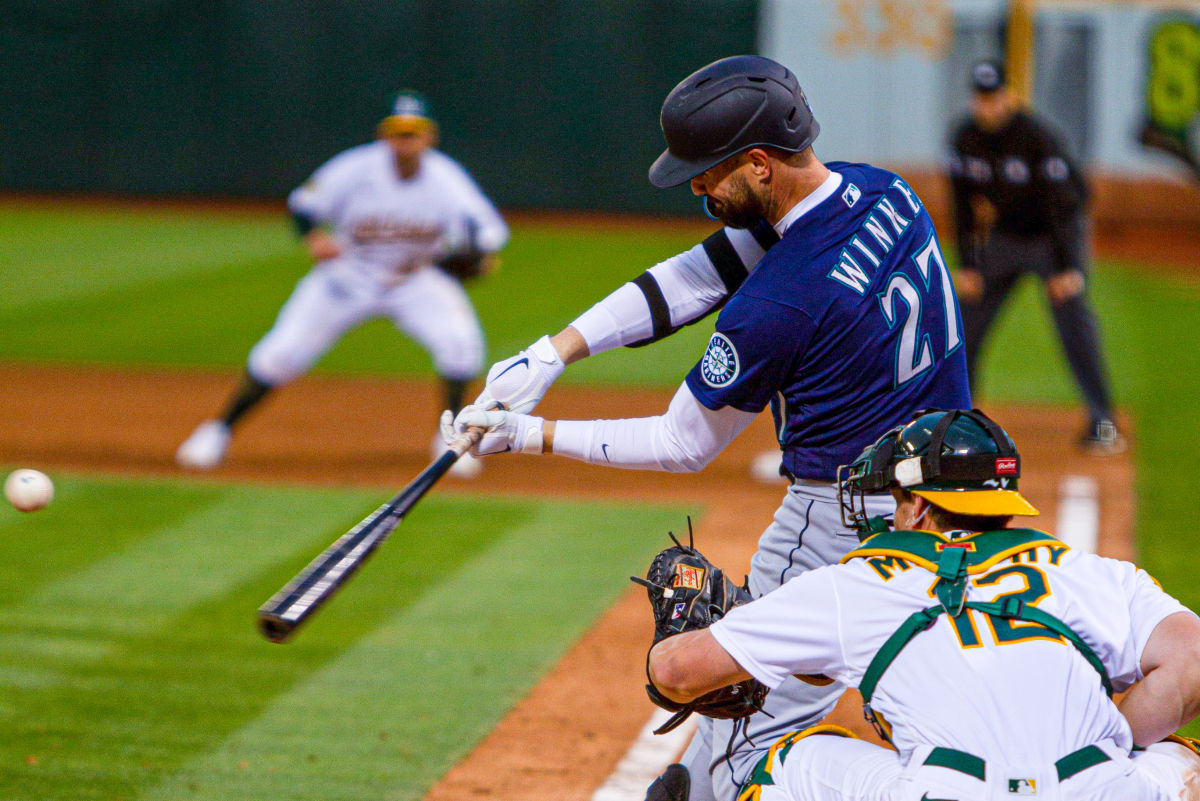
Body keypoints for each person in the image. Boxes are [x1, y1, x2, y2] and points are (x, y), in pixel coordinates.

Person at [444, 55, 971, 801]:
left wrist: (526, 435)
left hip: (841, 533)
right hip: (959, 511)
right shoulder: (882, 191)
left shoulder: (780, 304)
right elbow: (698, 274)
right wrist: (554, 351)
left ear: (758, 164)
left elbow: (682, 443)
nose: (694, 186)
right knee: (966, 723)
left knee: (734, 750)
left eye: (707, 171)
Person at [647, 409, 1200, 801]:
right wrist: (1115, 742)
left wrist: (671, 639)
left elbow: (676, 673)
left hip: (947, 792)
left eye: (893, 497)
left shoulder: (858, 584)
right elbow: (1192, 658)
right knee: (1180, 761)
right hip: (1100, 791)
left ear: (916, 507)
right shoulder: (1091, 573)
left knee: (777, 765)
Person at [176, 91, 507, 476]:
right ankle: (217, 431)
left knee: (462, 346)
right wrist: (313, 238)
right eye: (399, 132)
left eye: (414, 132)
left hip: (414, 279)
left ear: (429, 137)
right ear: (385, 135)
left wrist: (479, 257)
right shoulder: (354, 168)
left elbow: (489, 231)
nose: (406, 140)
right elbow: (303, 204)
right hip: (349, 276)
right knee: (280, 355)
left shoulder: (446, 178)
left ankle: (450, 442)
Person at [948, 59, 1124, 455]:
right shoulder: (965, 138)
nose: (987, 105)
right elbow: (962, 208)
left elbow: (1065, 203)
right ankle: (957, 421)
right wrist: (969, 265)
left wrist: (1067, 267)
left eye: (994, 96)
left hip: (1052, 239)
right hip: (1005, 238)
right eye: (981, 97)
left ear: (1009, 96)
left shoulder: (1036, 137)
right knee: (964, 324)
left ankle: (1103, 419)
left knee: (1074, 322)